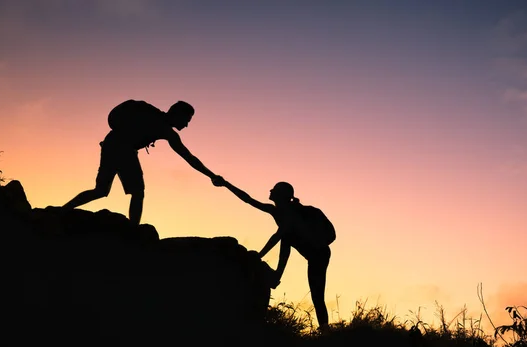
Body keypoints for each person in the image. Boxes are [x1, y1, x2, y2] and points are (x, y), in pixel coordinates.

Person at [63, 99, 220, 225]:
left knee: (101, 190)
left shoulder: (165, 129)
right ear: (176, 114)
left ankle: (63, 210)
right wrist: (212, 176)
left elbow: (189, 157)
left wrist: (212, 175)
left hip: (111, 144)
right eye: (186, 120)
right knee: (137, 192)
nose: (186, 125)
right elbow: (189, 158)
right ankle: (134, 231)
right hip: (121, 148)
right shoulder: (157, 120)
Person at [213, 177, 332, 332]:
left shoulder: (291, 214)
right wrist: (226, 184)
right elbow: (248, 200)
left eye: (274, 190)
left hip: (319, 255)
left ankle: (325, 329)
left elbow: (278, 236)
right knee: (286, 238)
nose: (270, 191)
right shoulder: (277, 212)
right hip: (310, 251)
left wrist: (260, 255)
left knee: (317, 294)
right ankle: (324, 328)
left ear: (281, 195)